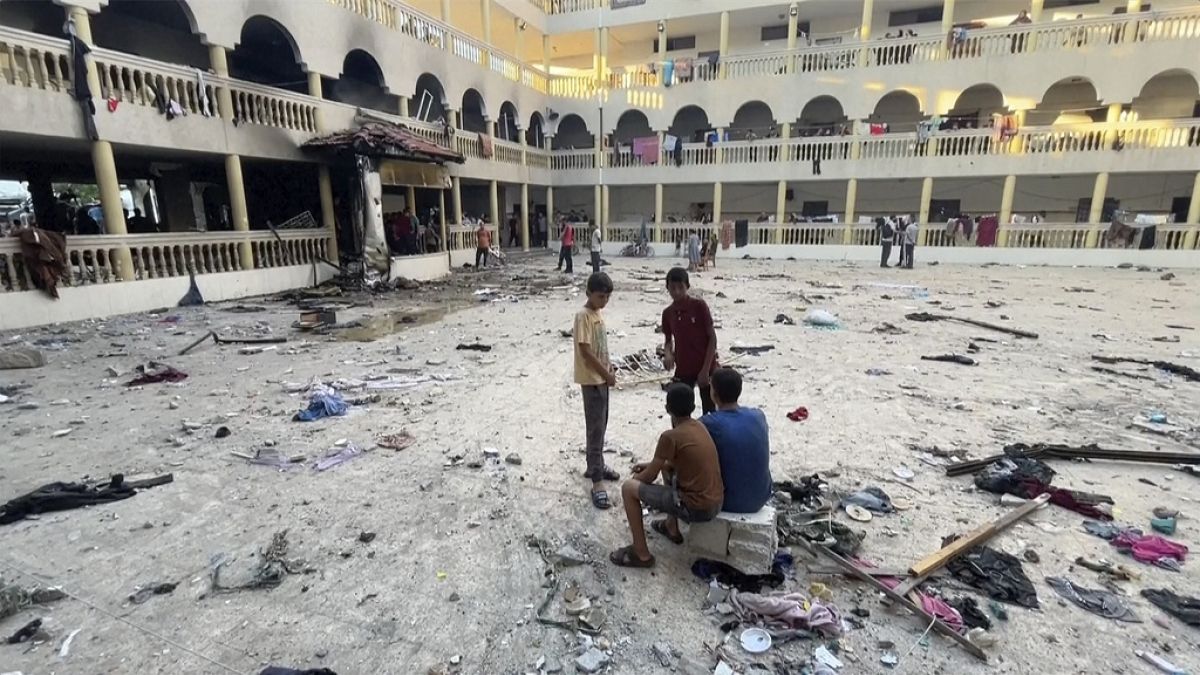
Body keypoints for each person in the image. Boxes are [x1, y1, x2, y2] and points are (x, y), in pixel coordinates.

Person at [609, 382, 724, 567]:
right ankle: (671, 527)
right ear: (693, 407)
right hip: (716, 502)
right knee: (666, 468)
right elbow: (677, 462)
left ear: (667, 408)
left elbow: (648, 478)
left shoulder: (670, 437)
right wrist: (652, 465)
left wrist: (636, 480)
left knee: (628, 489)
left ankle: (641, 553)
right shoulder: (699, 426)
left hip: (695, 507)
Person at [701, 368, 772, 513]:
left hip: (729, 501)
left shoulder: (708, 423)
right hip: (761, 496)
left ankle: (672, 521)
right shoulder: (758, 415)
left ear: (714, 393)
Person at [574, 272, 617, 510]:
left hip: (601, 378)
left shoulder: (598, 313)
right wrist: (605, 373)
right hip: (592, 381)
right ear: (588, 293)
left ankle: (596, 465)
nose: (604, 301)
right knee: (595, 428)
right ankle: (597, 481)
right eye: (601, 296)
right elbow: (586, 351)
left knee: (602, 424)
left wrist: (609, 369)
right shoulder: (583, 316)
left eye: (608, 297)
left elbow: (601, 348)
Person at [662, 267, 718, 415]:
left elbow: (712, 338)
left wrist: (705, 370)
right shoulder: (668, 313)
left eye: (680, 287)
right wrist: (668, 354)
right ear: (667, 288)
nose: (676, 292)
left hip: (705, 364)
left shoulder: (699, 306)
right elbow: (668, 340)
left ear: (687, 286)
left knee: (710, 412)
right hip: (683, 367)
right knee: (679, 411)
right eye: (672, 288)